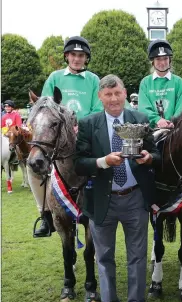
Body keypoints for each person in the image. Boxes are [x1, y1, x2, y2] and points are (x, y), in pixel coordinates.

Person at [75, 74, 161, 302]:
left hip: (135, 198)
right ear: (100, 97)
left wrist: (148, 157)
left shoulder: (140, 119)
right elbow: (78, 163)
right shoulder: (89, 124)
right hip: (103, 201)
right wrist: (103, 162)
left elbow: (156, 152)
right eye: (108, 94)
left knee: (137, 255)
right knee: (105, 256)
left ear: (125, 94)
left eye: (118, 93)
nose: (114, 99)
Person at [31, 36, 103, 238]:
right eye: (73, 55)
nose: (77, 59)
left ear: (86, 58)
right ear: (67, 56)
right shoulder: (54, 77)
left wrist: (81, 125)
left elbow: (98, 109)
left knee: (104, 164)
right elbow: (44, 106)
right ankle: (45, 215)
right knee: (34, 169)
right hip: (58, 138)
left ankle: (105, 208)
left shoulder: (94, 80)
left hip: (86, 136)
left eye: (81, 55)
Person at [138, 39, 182, 128]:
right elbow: (143, 108)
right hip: (152, 130)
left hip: (174, 129)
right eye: (158, 59)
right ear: (152, 61)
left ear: (170, 60)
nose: (162, 62)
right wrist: (157, 120)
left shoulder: (178, 82)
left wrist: (173, 121)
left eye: (165, 58)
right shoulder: (145, 82)